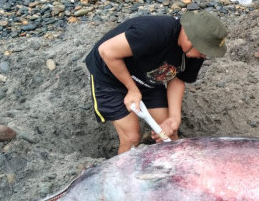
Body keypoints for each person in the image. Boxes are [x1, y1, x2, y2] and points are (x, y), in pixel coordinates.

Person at [85, 12, 228, 154]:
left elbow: (178, 80)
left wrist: (174, 118)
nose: (204, 56)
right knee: (131, 138)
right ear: (190, 39)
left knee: (169, 134)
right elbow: (107, 51)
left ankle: (170, 174)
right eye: (204, 51)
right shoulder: (155, 31)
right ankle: (120, 175)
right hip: (110, 77)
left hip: (149, 79)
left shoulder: (195, 54)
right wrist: (132, 90)